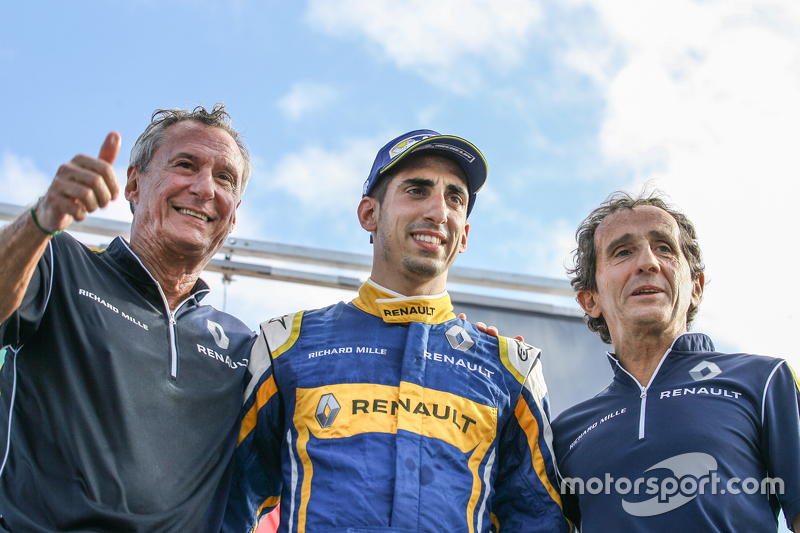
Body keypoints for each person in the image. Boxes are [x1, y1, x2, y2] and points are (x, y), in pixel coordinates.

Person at [221, 130, 570, 533]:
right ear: (369, 214)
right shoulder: (286, 345)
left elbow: (540, 522)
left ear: (465, 236)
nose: (439, 211)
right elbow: (229, 507)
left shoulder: (511, 368)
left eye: (455, 198)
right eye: (418, 190)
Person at [0, 104, 256, 533]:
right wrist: (41, 220)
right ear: (134, 184)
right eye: (185, 165)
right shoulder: (60, 265)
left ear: (233, 217)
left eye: (224, 178)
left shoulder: (245, 346)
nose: (204, 187)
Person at [550, 191, 800, 532]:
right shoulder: (565, 432)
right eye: (623, 252)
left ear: (695, 287)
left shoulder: (766, 380)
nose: (648, 263)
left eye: (664, 248)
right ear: (590, 299)